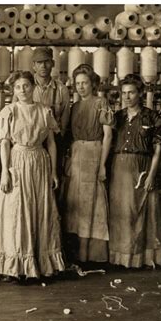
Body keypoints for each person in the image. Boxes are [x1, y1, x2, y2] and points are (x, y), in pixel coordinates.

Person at [0, 71, 65, 281]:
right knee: (16, 211)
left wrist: (54, 171)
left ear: (33, 87)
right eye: (18, 87)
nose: (23, 90)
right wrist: (5, 173)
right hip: (17, 163)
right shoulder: (8, 111)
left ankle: (39, 262)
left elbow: (52, 143)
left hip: (39, 162)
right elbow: (5, 144)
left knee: (40, 210)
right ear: (13, 91)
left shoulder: (44, 111)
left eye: (26, 86)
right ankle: (15, 266)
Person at [109, 74, 161, 268]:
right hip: (119, 167)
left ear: (140, 93)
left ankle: (141, 259)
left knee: (140, 212)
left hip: (142, 167)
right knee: (121, 213)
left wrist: (151, 175)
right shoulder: (117, 117)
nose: (127, 97)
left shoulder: (153, 117)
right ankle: (121, 259)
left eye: (131, 92)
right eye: (124, 93)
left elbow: (158, 150)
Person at [62, 64, 114, 264]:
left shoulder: (101, 103)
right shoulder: (74, 106)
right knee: (74, 204)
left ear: (93, 84)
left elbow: (108, 136)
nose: (81, 87)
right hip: (76, 156)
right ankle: (76, 253)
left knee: (91, 204)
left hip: (93, 154)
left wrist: (102, 165)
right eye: (77, 83)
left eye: (84, 82)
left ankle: (90, 254)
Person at [31, 47, 70, 179]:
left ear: (52, 63)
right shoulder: (26, 87)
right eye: (39, 62)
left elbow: (65, 117)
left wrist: (60, 138)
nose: (43, 66)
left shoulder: (61, 89)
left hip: (55, 140)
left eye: (46, 62)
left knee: (54, 179)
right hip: (32, 142)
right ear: (33, 66)